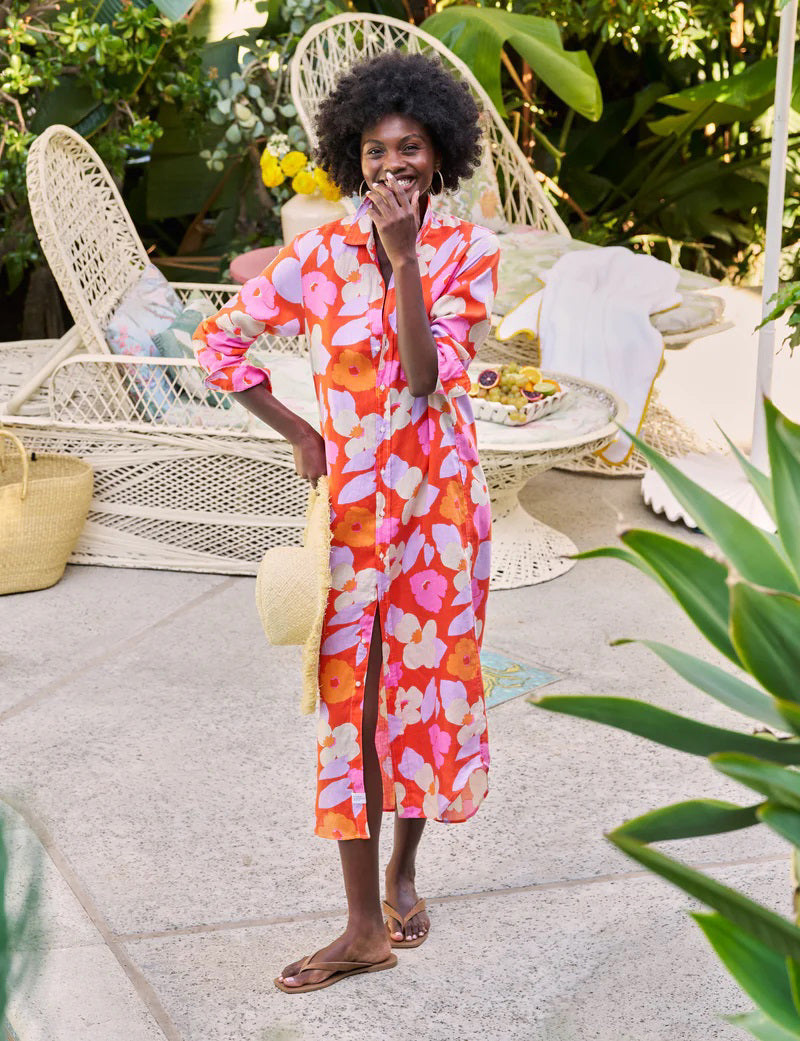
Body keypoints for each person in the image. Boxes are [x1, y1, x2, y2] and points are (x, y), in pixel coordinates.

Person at [193, 50, 499, 993]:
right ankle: (363, 925)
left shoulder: (468, 253)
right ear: (351, 157)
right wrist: (300, 433)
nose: (392, 163)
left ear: (439, 155)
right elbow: (220, 342)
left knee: (427, 689)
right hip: (358, 516)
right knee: (354, 707)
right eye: (375, 149)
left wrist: (406, 260)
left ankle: (406, 870)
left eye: (410, 147)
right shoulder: (319, 254)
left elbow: (421, 375)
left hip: (442, 511)